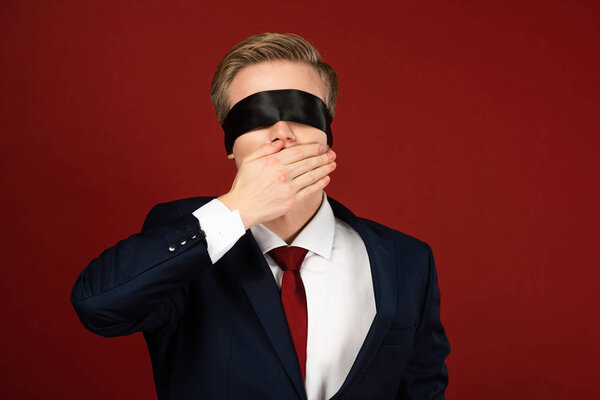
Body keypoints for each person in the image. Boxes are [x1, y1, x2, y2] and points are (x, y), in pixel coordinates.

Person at [70, 32, 450, 400]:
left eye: (302, 112)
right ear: (230, 145)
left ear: (327, 132)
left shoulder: (406, 259)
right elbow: (99, 306)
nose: (281, 132)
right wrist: (242, 207)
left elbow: (422, 387)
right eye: (254, 117)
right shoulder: (184, 236)